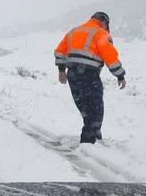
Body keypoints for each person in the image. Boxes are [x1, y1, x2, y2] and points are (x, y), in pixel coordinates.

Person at [54, 12, 127, 144]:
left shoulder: (74, 31)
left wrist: (61, 70)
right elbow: (109, 55)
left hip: (72, 75)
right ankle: (88, 143)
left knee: (85, 107)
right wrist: (120, 75)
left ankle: (93, 137)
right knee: (95, 107)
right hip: (88, 74)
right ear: (104, 22)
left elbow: (60, 50)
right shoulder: (100, 33)